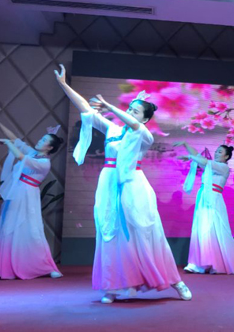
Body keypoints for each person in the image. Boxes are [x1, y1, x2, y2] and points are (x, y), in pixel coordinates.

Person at [54, 64, 191, 304]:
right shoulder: (113, 129)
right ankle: (113, 286)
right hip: (109, 182)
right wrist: (64, 85)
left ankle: (176, 281)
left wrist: (109, 106)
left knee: (145, 233)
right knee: (111, 231)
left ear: (145, 118)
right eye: (130, 109)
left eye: (136, 111)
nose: (130, 113)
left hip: (133, 185)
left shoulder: (144, 134)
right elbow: (86, 109)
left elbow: (134, 125)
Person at [0, 121, 63, 280]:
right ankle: (5, 266)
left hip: (27, 195)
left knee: (30, 229)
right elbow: (16, 140)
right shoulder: (33, 153)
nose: (39, 140)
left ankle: (43, 266)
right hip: (16, 192)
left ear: (49, 147)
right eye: (41, 138)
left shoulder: (44, 163)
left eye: (44, 140)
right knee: (8, 225)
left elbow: (19, 155)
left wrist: (8, 143)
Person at [174, 141, 234, 274]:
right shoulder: (211, 166)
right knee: (201, 229)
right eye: (216, 151)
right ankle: (198, 264)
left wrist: (190, 157)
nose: (217, 153)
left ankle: (216, 264)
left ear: (226, 157)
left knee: (212, 229)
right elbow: (199, 157)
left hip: (213, 199)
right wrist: (185, 144)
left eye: (220, 152)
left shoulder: (223, 167)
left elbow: (203, 161)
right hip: (203, 197)